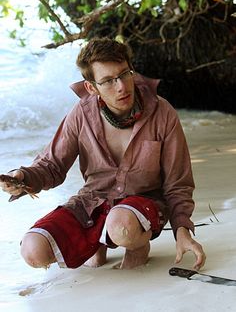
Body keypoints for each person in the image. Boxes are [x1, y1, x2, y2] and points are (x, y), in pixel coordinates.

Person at [0, 37, 206, 270]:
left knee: (122, 225)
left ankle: (137, 246)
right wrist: (22, 177)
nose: (121, 86)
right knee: (33, 250)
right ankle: (97, 243)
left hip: (142, 208)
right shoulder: (81, 114)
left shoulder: (162, 112)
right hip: (93, 203)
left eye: (124, 74)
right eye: (108, 81)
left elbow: (178, 184)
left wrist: (183, 230)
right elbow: (52, 165)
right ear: (91, 87)